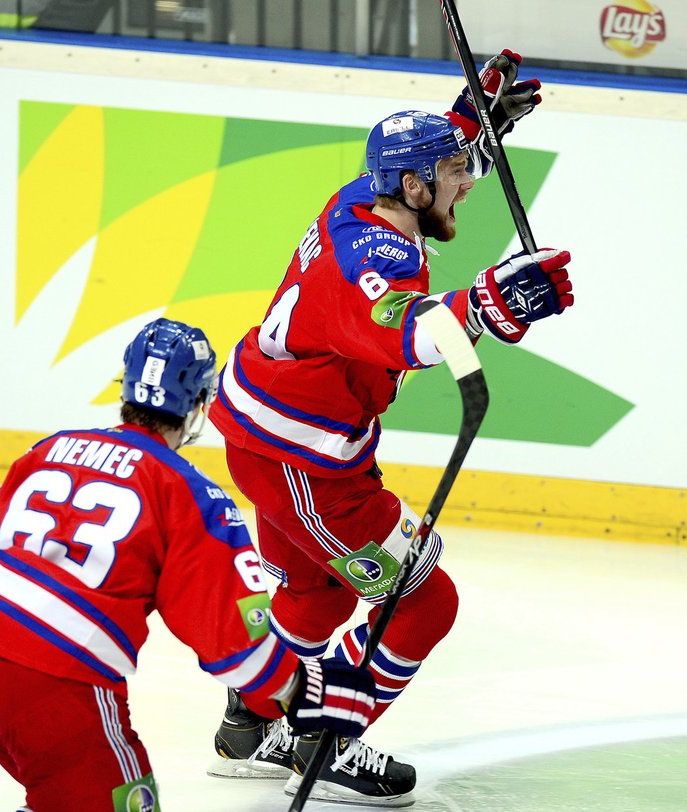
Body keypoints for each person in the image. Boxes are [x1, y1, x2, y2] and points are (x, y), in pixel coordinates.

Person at [204, 51, 574, 806]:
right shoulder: (371, 255)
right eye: (454, 171)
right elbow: (396, 327)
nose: (466, 183)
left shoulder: (364, 196)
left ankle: (251, 726)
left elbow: (420, 179)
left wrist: (476, 122)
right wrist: (487, 307)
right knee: (423, 598)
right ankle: (323, 740)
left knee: (316, 595)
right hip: (309, 464)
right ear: (412, 186)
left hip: (265, 439)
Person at [0, 317, 378, 812]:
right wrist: (307, 690)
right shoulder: (190, 495)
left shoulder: (47, 450)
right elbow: (232, 648)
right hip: (58, 690)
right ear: (200, 404)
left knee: (61, 795)